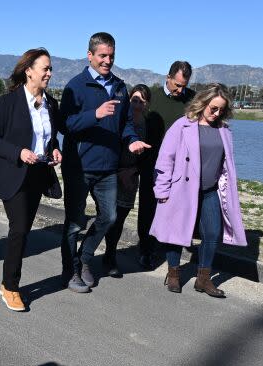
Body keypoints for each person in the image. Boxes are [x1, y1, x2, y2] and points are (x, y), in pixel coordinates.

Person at [59, 32, 151, 293]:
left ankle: (85, 259)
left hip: (108, 168)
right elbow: (64, 125)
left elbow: (126, 125)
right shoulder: (75, 86)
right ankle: (70, 271)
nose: (107, 60)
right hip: (79, 167)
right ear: (90, 56)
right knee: (75, 223)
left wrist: (131, 140)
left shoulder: (120, 87)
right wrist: (94, 115)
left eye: (111, 56)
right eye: (102, 56)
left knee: (109, 217)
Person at [149, 83, 247, 297]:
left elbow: (225, 163)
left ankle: (203, 280)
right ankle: (173, 273)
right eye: (213, 108)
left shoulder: (224, 131)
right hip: (181, 188)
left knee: (212, 233)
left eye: (221, 109)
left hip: (210, 190)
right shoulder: (182, 125)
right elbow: (165, 159)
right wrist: (162, 190)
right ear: (203, 103)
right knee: (175, 231)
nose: (217, 113)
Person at [0, 48, 62, 312]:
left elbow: (50, 138)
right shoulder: (9, 102)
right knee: (18, 230)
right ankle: (10, 286)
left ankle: (9, 281)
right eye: (46, 68)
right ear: (29, 70)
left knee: (23, 231)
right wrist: (18, 152)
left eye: (51, 69)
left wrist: (54, 149)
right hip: (13, 175)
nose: (50, 73)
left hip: (39, 176)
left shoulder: (51, 103)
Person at [138, 61, 195, 269]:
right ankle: (145, 250)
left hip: (181, 168)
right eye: (177, 85)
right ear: (167, 77)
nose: (180, 90)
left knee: (175, 208)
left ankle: (167, 247)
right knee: (148, 208)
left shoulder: (192, 99)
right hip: (151, 164)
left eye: (184, 86)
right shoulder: (151, 97)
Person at [101, 84, 159, 277]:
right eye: (134, 99)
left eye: (142, 101)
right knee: (110, 217)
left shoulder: (147, 123)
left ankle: (110, 254)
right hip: (115, 172)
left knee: (120, 218)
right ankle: (103, 254)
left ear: (146, 104)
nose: (137, 104)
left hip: (132, 177)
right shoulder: (120, 119)